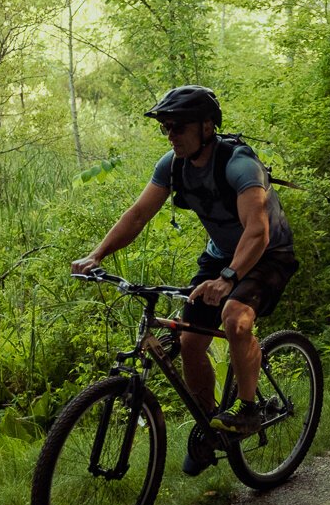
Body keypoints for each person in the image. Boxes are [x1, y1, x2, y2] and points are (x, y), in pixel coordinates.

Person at [70, 86, 298, 475]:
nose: (170, 135)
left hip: (267, 253)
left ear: (207, 127)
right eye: (165, 128)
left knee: (235, 318)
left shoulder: (239, 165)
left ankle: (247, 409)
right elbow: (138, 215)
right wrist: (97, 254)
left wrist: (229, 279)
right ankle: (213, 427)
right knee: (191, 340)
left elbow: (257, 231)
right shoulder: (172, 165)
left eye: (177, 127)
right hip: (219, 256)